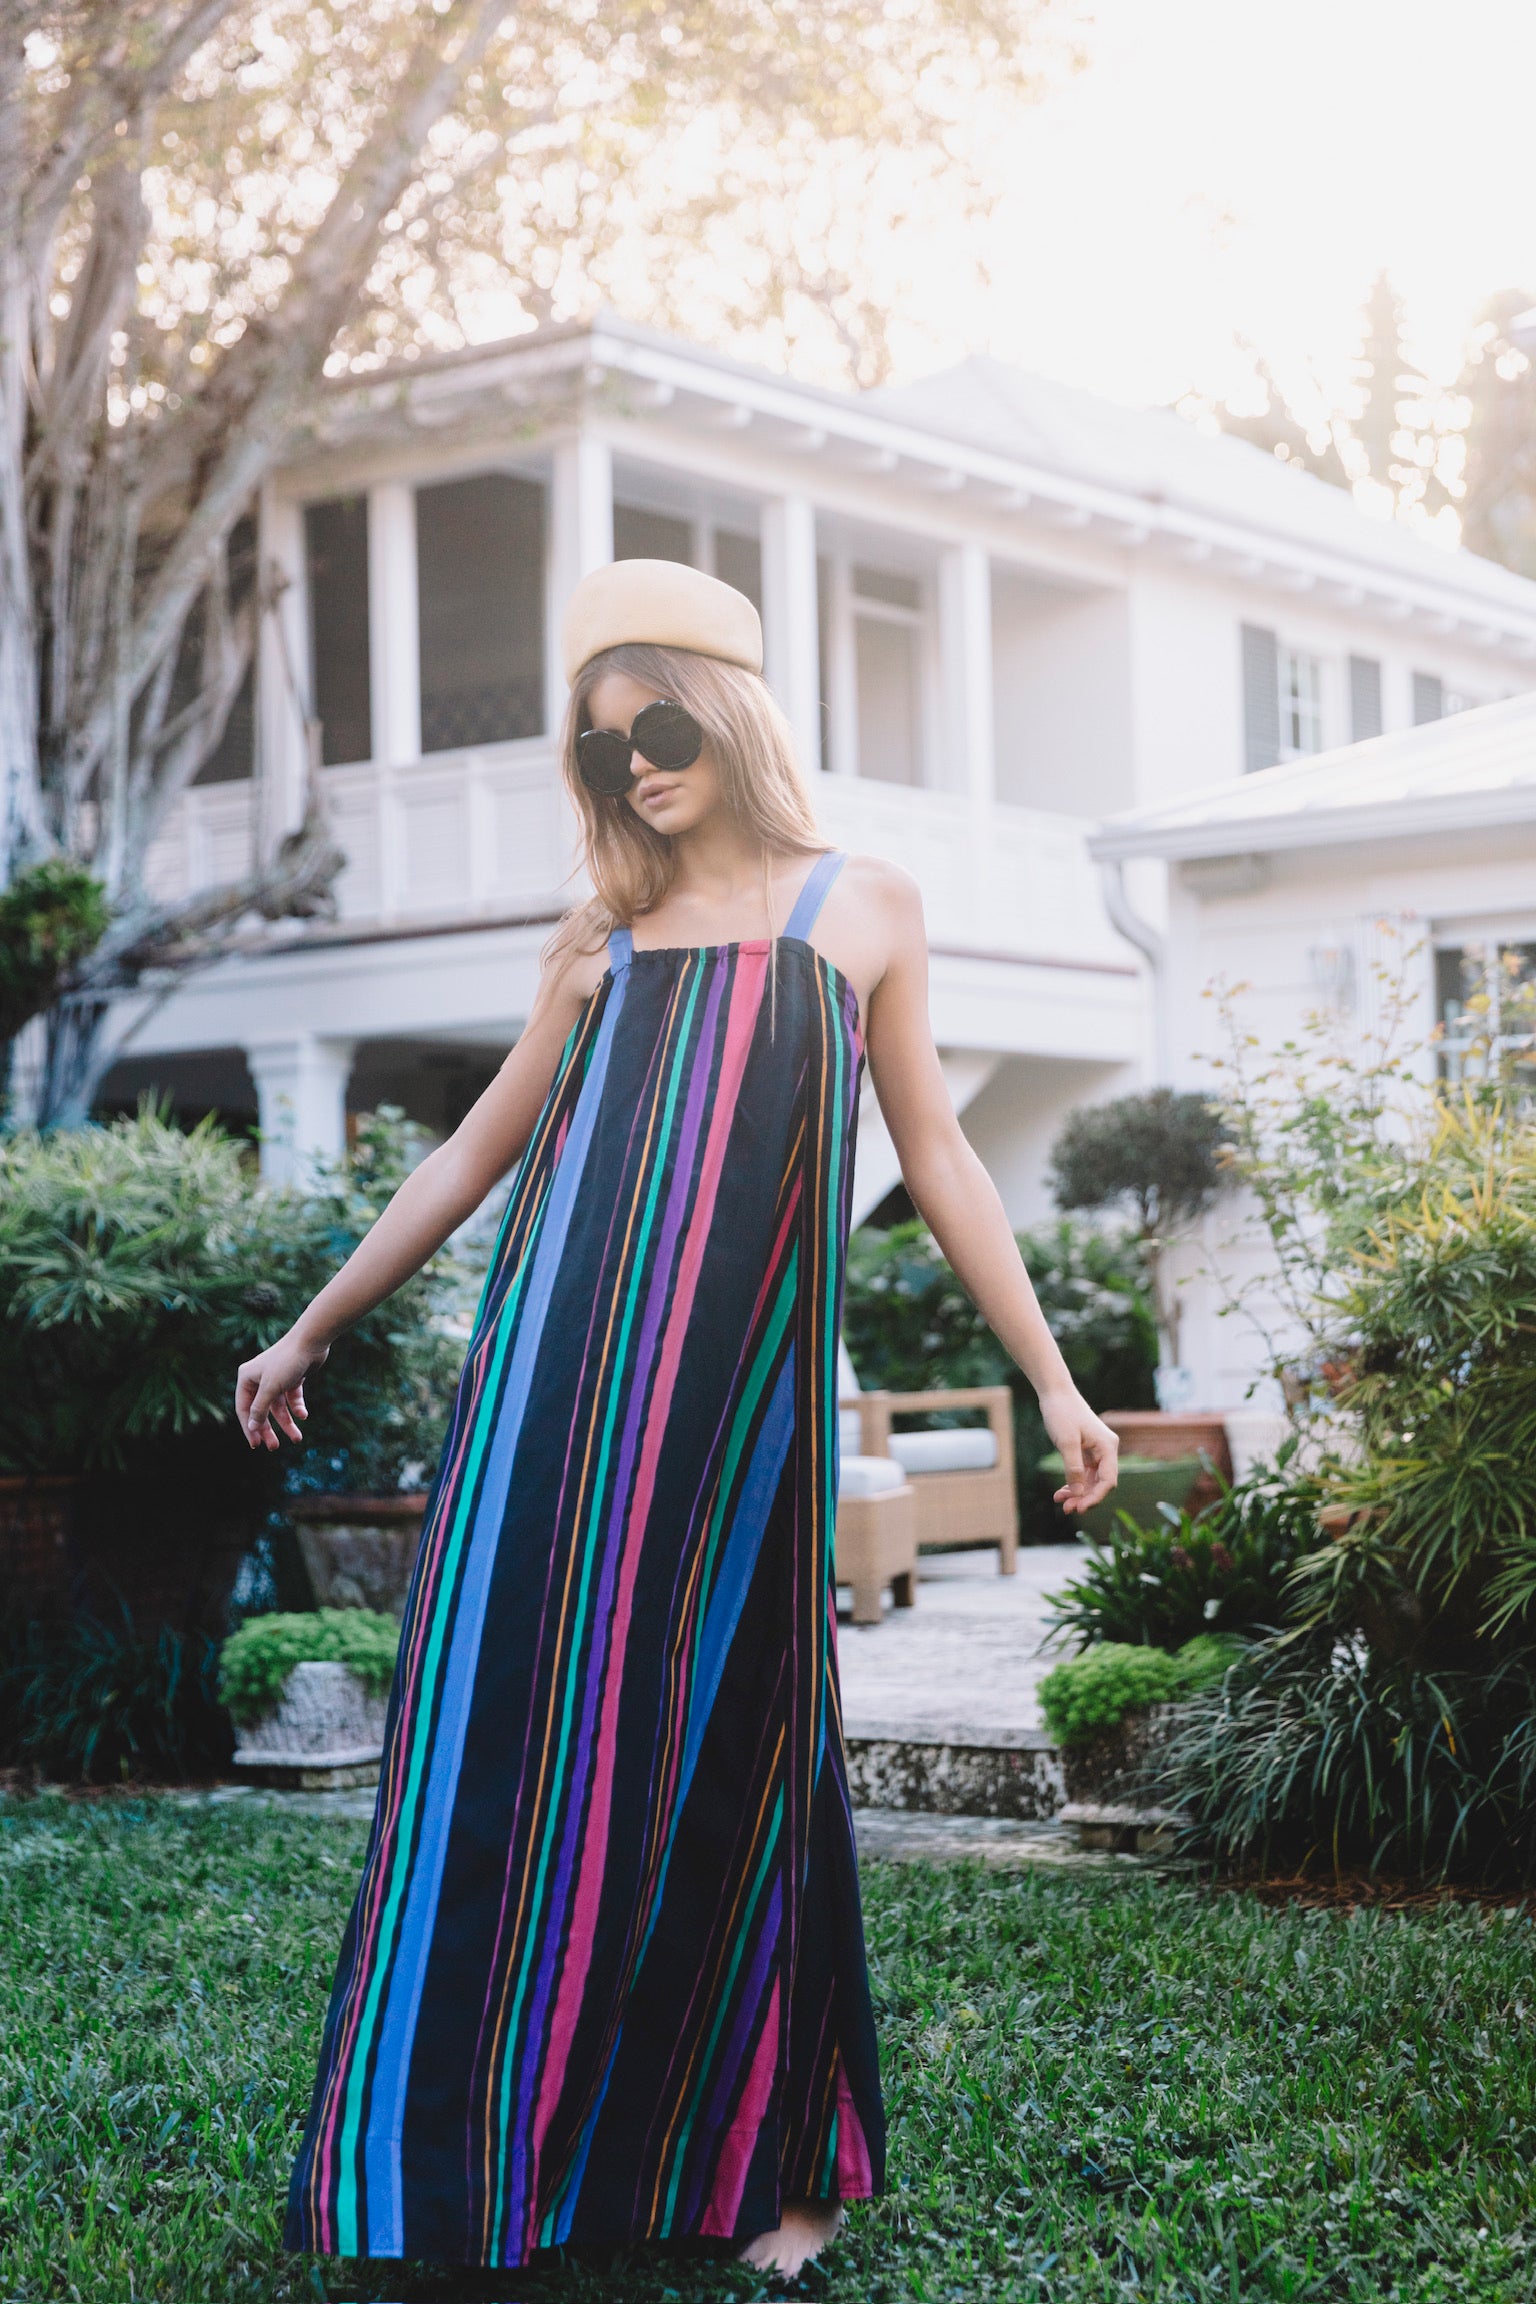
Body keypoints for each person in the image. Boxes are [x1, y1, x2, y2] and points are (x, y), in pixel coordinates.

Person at [236, 559, 1119, 2281]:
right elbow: (472, 1155)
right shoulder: (600, 940)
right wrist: (308, 1327)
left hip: (736, 1433)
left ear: (727, 714)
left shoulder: (863, 908)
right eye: (598, 747)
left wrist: (1056, 1378)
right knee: (502, 1758)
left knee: (741, 1751)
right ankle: (474, 2171)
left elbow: (939, 1157)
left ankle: (778, 2165)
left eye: (655, 728)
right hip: (551, 1400)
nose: (631, 767)